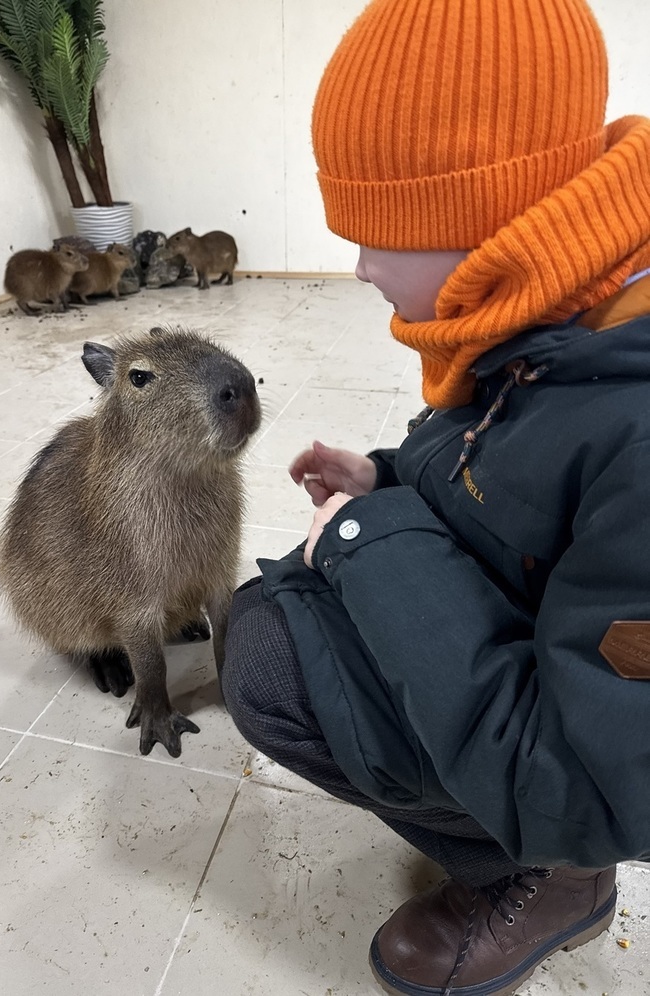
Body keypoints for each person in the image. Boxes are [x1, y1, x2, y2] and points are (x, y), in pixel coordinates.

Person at [222, 0, 650, 993]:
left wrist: (371, 536)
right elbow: (517, 478)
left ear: (492, 212)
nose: (361, 266)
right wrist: (390, 483)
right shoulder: (566, 298)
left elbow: (601, 770)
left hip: (592, 768)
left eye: (383, 233)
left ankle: (554, 876)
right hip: (555, 647)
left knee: (275, 674)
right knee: (291, 612)